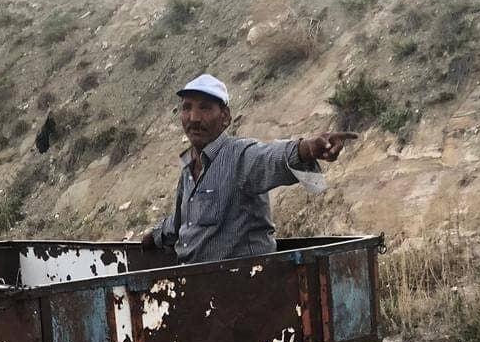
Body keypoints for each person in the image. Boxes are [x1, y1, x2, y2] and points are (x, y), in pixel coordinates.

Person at [141, 73, 356, 265]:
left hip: (241, 290)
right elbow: (183, 221)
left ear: (225, 117)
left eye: (205, 107)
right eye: (187, 107)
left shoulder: (240, 156)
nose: (194, 117)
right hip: (194, 290)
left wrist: (308, 148)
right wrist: (154, 235)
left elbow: (271, 157)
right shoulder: (188, 168)